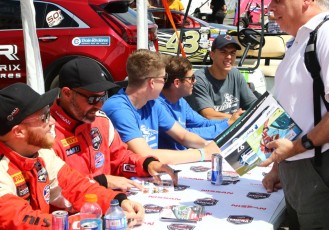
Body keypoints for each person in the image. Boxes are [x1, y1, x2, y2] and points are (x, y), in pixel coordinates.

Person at [0, 83, 144, 229]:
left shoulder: (42, 154)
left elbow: (76, 186)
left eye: (48, 112)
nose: (52, 122)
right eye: (44, 117)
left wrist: (116, 202)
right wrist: (84, 224)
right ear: (18, 132)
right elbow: (19, 220)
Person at [261, 0, 329, 229]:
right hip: (296, 168)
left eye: (278, 1)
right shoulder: (298, 41)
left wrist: (298, 147)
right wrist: (278, 166)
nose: (270, 8)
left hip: (321, 167)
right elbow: (292, 109)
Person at [51, 57, 177, 192]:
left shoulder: (101, 121)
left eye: (102, 97)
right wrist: (100, 182)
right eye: (92, 99)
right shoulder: (46, 132)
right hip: (75, 210)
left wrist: (146, 165)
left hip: (109, 203)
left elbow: (120, 159)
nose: (99, 105)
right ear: (67, 93)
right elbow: (54, 189)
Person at [102, 49, 221, 165]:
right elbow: (145, 154)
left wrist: (209, 146)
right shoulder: (118, 108)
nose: (165, 83)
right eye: (164, 79)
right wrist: (203, 154)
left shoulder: (152, 103)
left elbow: (183, 135)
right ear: (152, 83)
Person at [158, 56, 242, 150]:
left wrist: (232, 121)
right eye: (191, 78)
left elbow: (202, 123)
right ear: (177, 82)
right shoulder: (158, 106)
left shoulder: (180, 101)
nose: (195, 81)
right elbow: (185, 134)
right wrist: (227, 125)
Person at [185, 34, 257, 121]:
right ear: (212, 55)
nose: (229, 57)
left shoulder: (235, 74)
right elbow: (208, 115)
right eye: (223, 52)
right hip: (212, 130)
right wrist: (239, 119)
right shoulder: (199, 79)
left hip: (236, 126)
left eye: (232, 53)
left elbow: (253, 104)